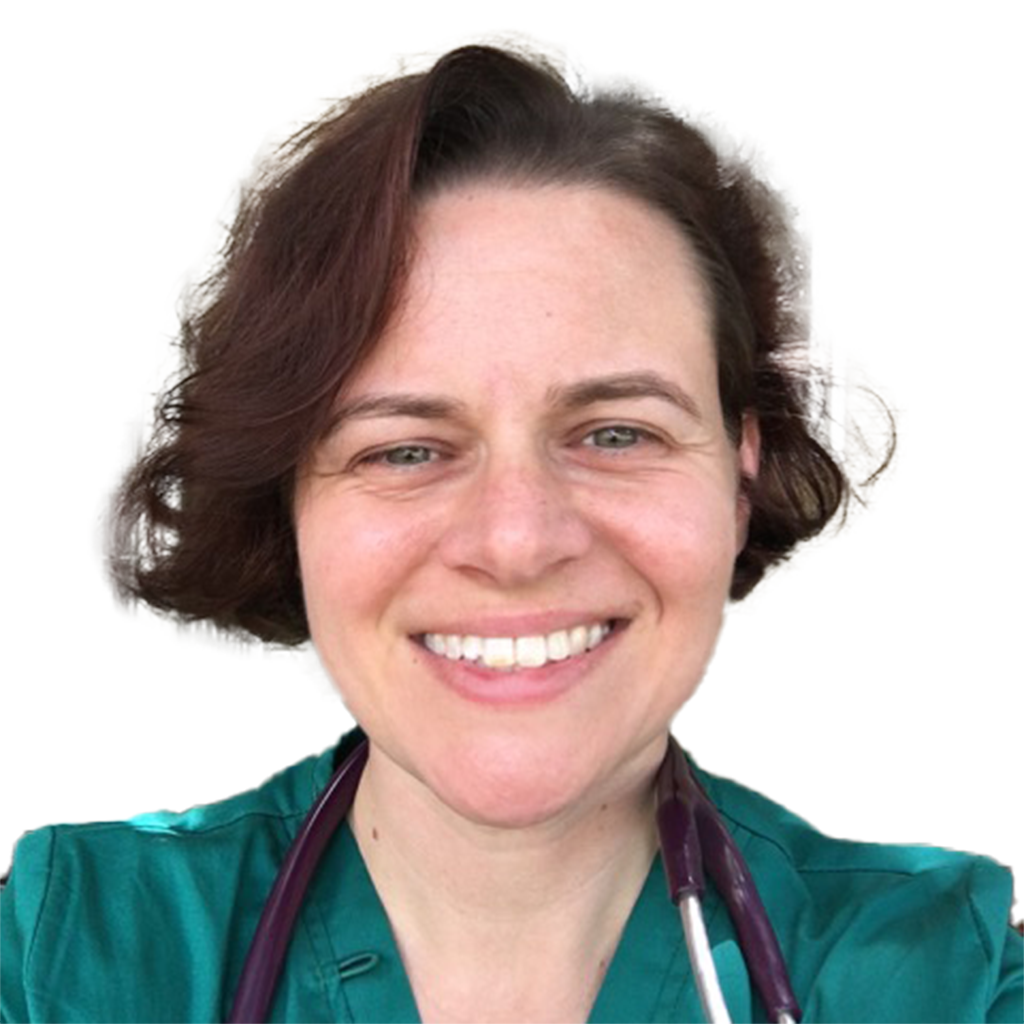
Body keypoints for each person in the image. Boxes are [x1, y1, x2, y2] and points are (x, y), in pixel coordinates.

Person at [1, 28, 1021, 1024]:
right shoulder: (68, 946)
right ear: (288, 501)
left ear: (741, 468)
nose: (517, 540)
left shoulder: (945, 974)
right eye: (403, 449)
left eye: (616, 432)